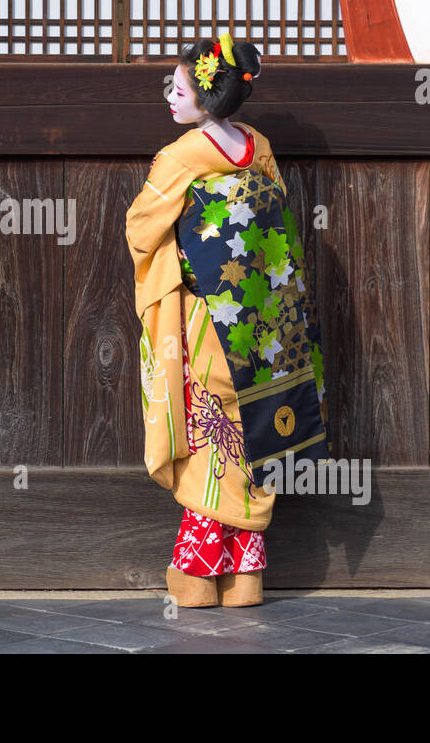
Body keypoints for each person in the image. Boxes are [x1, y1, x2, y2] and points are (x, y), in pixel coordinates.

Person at [125, 32, 330, 609]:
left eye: (180, 87)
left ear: (206, 99)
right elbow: (275, 226)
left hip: (207, 314)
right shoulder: (258, 146)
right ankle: (246, 575)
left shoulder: (182, 156)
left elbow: (142, 230)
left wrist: (185, 251)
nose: (170, 94)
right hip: (263, 317)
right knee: (252, 427)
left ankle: (196, 571)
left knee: (206, 430)